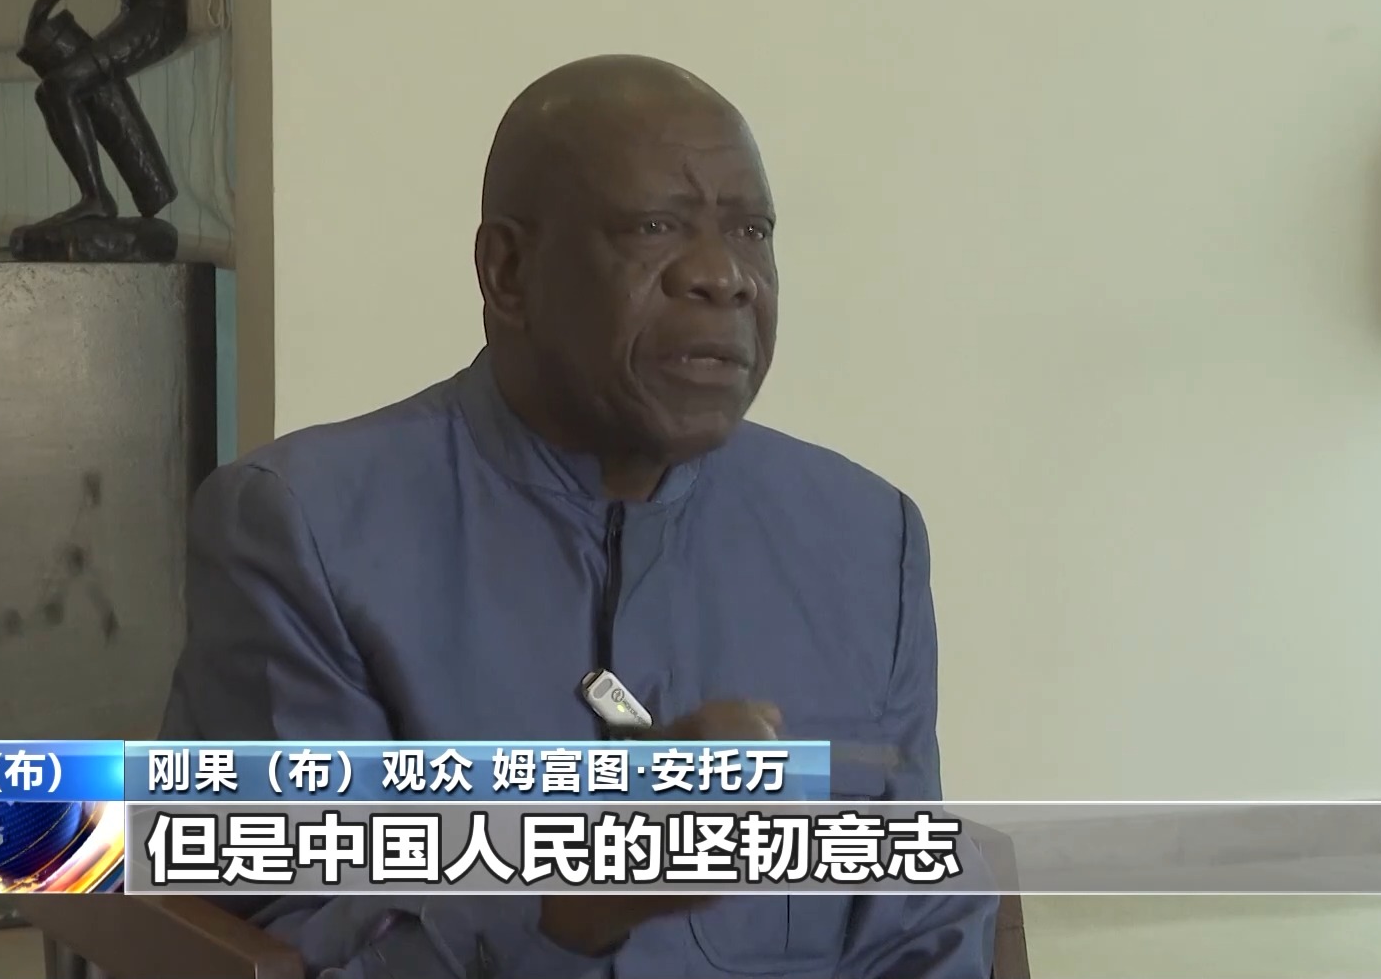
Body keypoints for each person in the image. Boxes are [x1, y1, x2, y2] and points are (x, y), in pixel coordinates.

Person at [160, 55, 999, 978]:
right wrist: (574, 893)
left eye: (751, 232)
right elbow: (302, 939)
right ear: (508, 271)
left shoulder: (864, 540)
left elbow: (918, 926)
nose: (724, 276)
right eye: (654, 227)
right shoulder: (303, 530)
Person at [19, 0, 187, 226]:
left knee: (62, 86)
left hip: (157, 20)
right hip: (132, 17)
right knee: (49, 93)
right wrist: (43, 6)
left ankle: (95, 198)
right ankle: (137, 192)